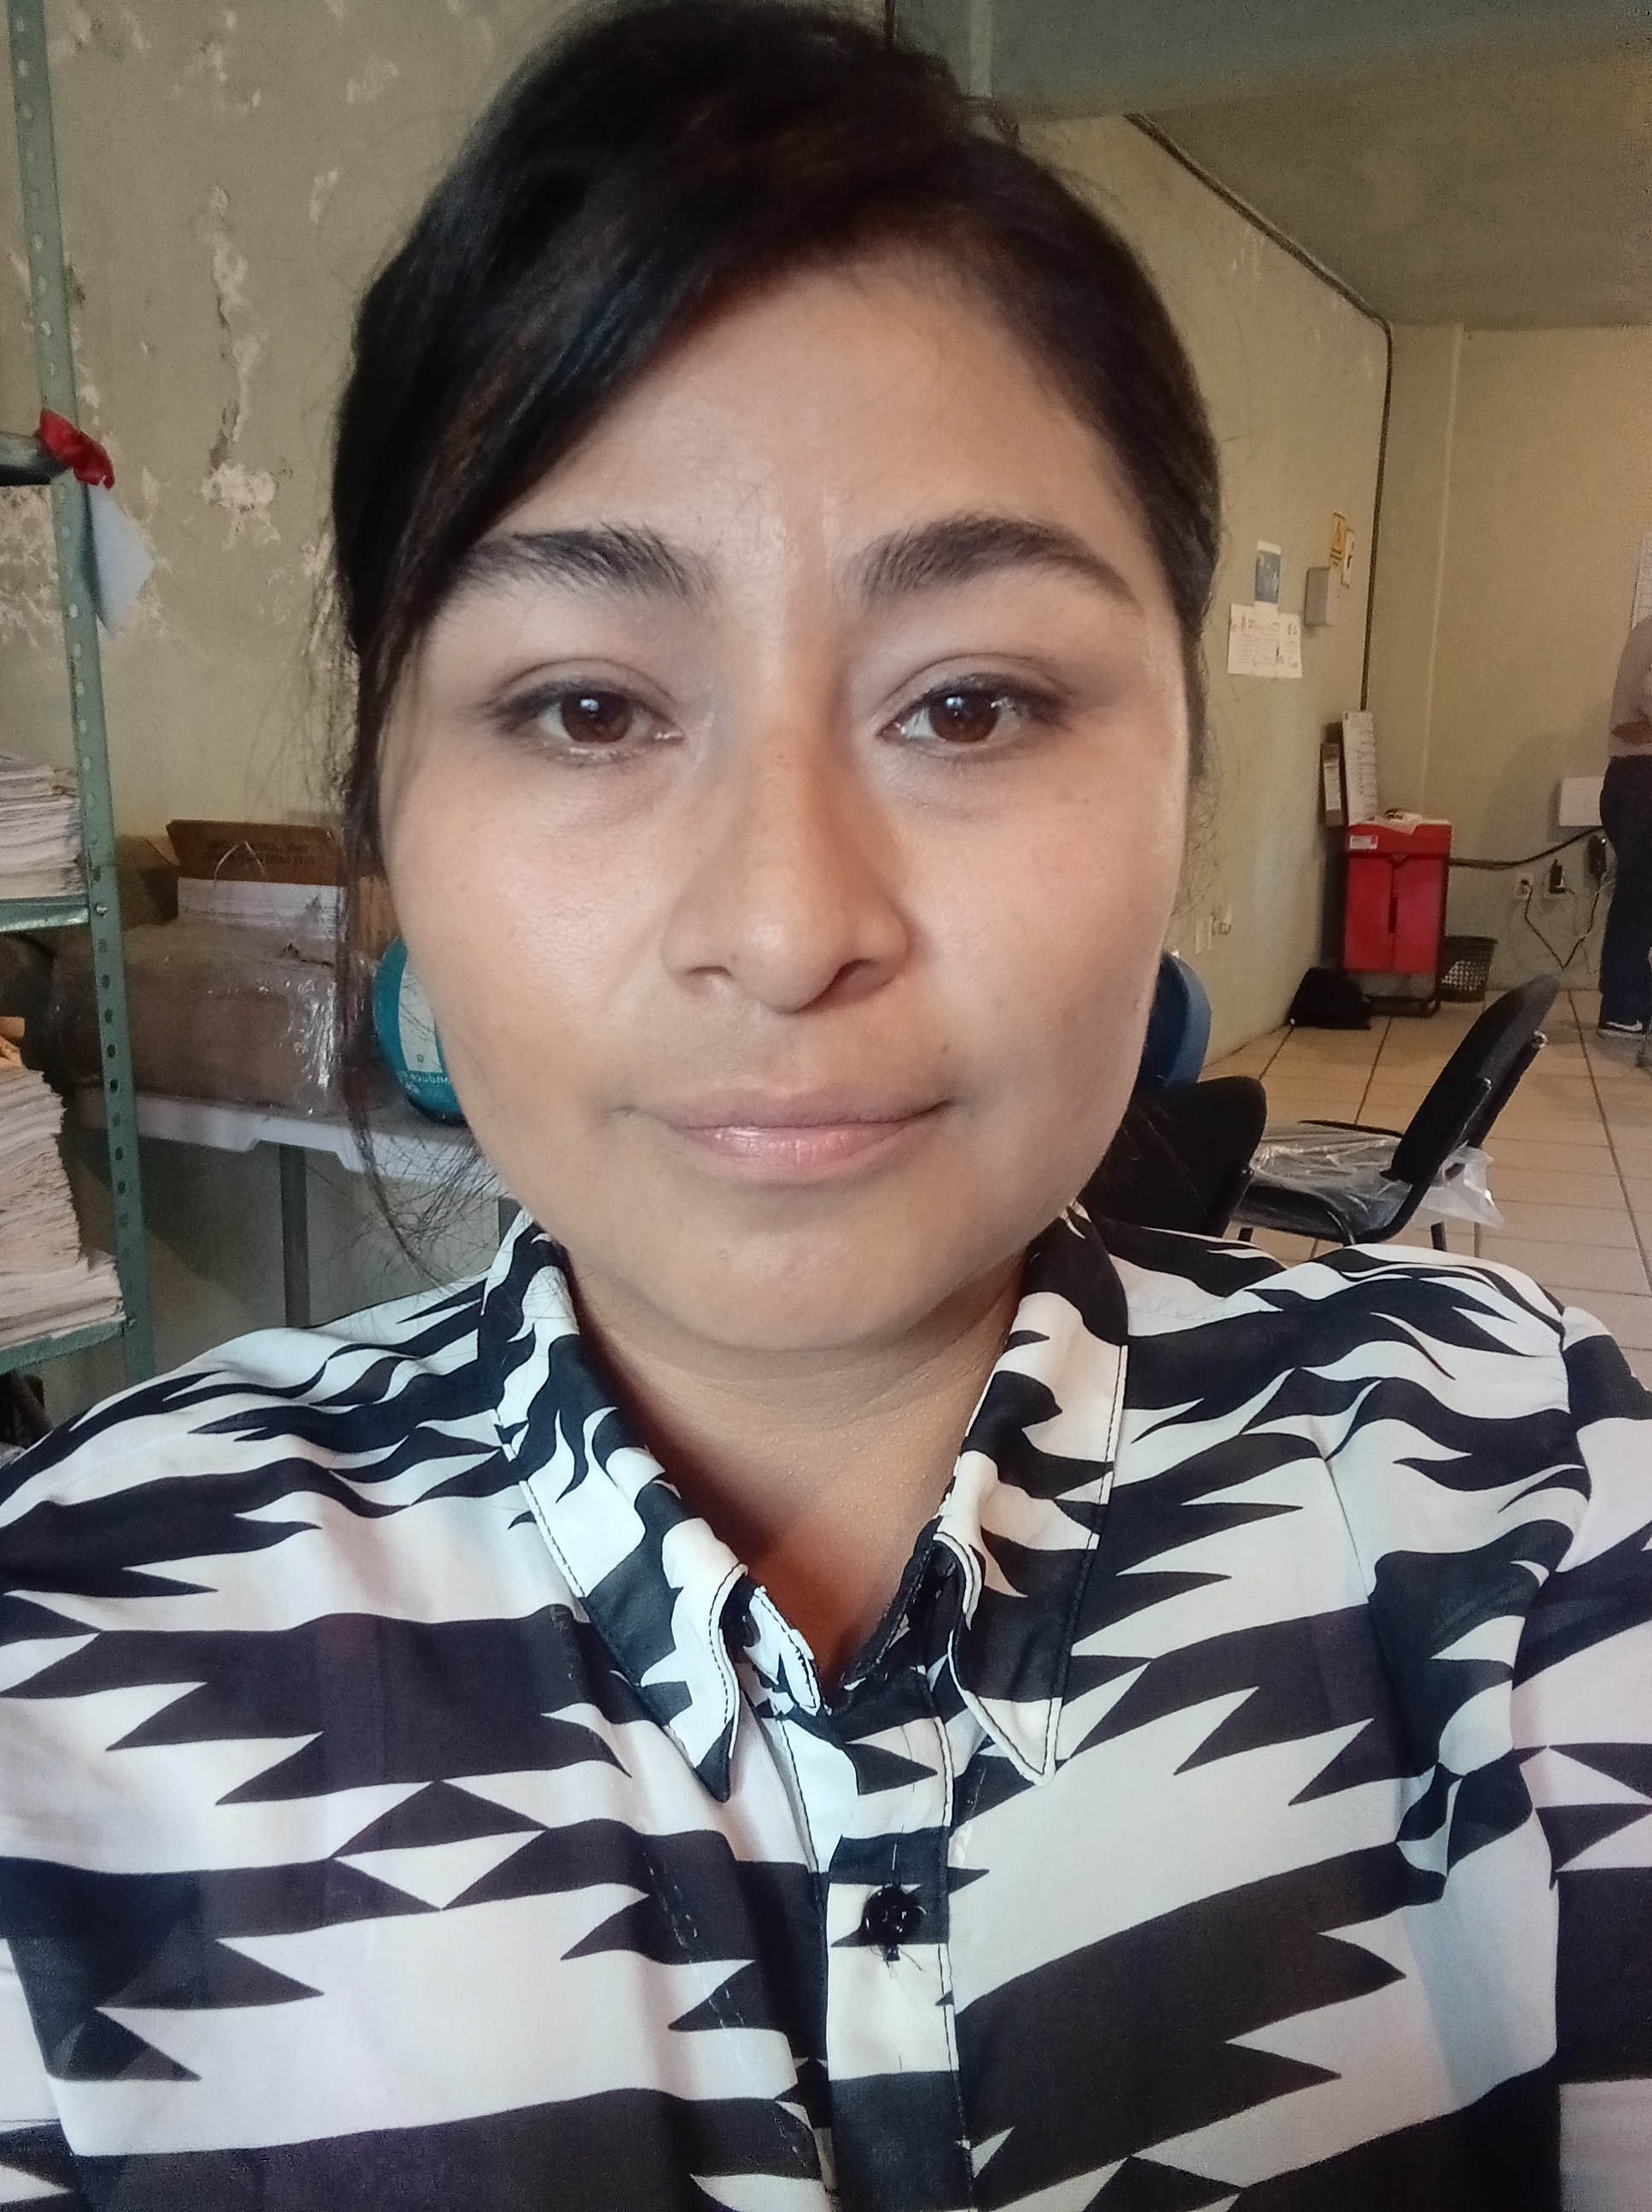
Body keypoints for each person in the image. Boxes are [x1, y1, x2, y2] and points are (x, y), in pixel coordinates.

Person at [1, 7, 1649, 2208]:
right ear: (388, 814)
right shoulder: (73, 1655)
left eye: (967, 704)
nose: (784, 930)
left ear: (1182, 781)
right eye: (585, 709)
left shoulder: (1521, 1509)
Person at [1598, 613, 1652, 1034]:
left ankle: (1632, 1001)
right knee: (1639, 898)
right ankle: (1622, 1007)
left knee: (1639, 897)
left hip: (1632, 781)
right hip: (1642, 783)